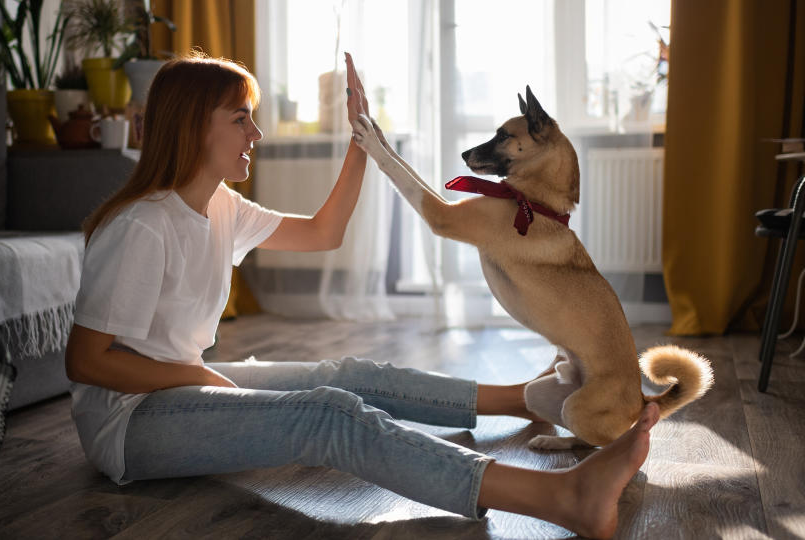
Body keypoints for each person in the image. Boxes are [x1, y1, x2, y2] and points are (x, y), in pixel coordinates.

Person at [64, 51, 658, 540]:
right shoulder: (143, 225)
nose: (257, 133)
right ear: (194, 125)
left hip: (185, 381)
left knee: (349, 373)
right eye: (240, 119)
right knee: (329, 414)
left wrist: (361, 142)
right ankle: (562, 496)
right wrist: (211, 384)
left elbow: (324, 233)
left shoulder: (222, 206)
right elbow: (89, 362)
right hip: (130, 424)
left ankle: (520, 400)